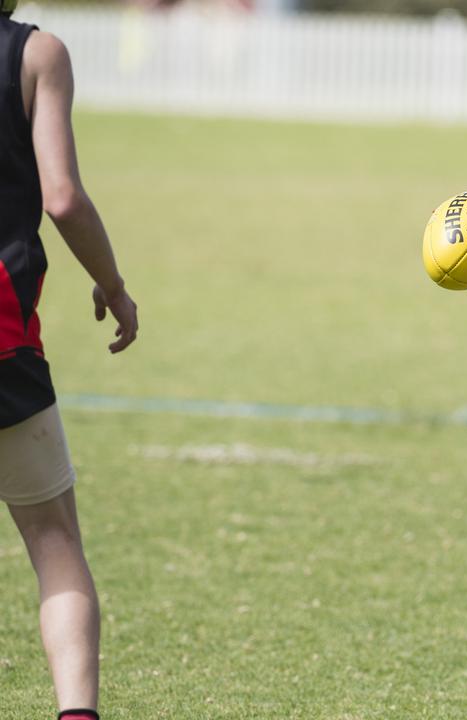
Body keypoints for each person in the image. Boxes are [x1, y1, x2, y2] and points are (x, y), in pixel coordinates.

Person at [0, 3, 140, 720]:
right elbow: (61, 198)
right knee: (55, 543)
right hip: (2, 338)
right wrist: (113, 287)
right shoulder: (36, 54)